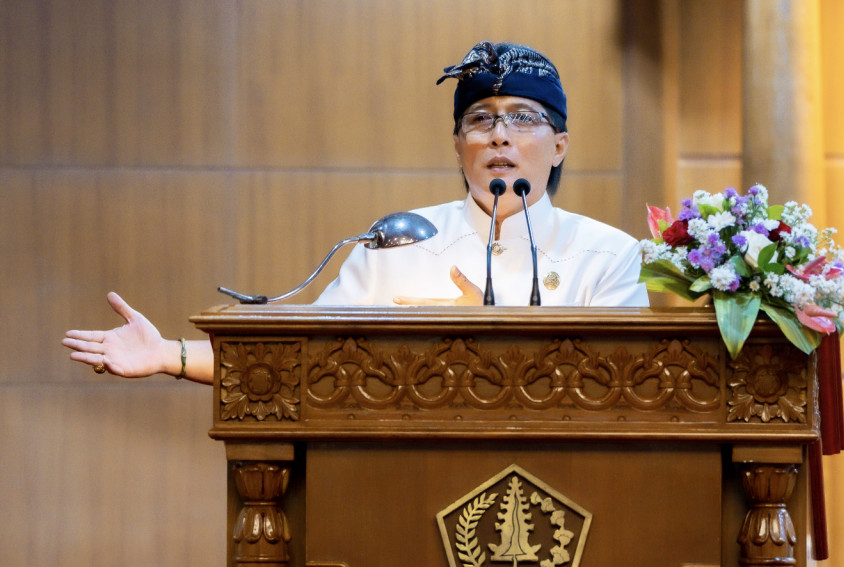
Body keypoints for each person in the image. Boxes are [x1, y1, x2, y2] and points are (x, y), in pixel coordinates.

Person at [63, 41, 649, 385]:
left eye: (523, 117)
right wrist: (170, 354)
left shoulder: (609, 255)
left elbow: (623, 390)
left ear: (559, 145)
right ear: (457, 144)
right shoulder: (399, 243)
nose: (499, 135)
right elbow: (307, 361)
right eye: (480, 119)